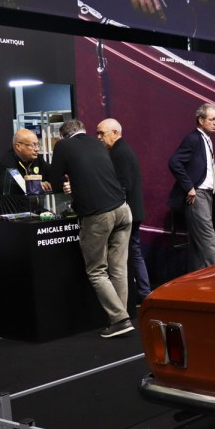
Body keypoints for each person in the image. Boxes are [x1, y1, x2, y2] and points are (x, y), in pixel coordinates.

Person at [48, 119, 133, 338]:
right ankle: (121, 318)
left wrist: (66, 184)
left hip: (98, 214)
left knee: (97, 270)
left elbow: (54, 181)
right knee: (119, 268)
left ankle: (120, 319)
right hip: (123, 209)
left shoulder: (63, 146)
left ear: (65, 135)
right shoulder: (98, 144)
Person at [97, 118, 150, 303]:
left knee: (128, 257)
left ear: (115, 133)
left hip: (126, 213)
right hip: (133, 211)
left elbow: (122, 185)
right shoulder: (122, 150)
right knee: (134, 253)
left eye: (102, 133)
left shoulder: (119, 153)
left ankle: (141, 294)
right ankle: (144, 293)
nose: (99, 137)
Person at [168, 103, 215, 271]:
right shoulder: (193, 139)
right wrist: (189, 187)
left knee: (198, 246)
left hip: (207, 195)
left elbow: (208, 166)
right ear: (200, 120)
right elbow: (174, 162)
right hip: (197, 196)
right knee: (208, 242)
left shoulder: (207, 140)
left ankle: (198, 284)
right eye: (212, 119)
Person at [0, 128, 52, 195]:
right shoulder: (7, 163)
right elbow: (14, 187)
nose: (37, 149)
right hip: (15, 204)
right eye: (33, 145)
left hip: (35, 204)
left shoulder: (37, 159)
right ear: (18, 146)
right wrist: (36, 186)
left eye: (38, 144)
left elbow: (52, 172)